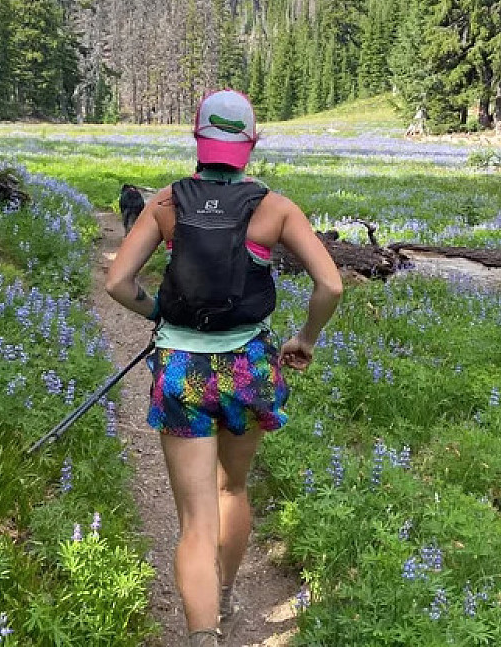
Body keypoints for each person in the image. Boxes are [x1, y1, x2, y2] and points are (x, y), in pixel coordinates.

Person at [105, 89, 342, 647]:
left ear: (198, 138)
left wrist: (158, 312)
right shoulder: (275, 208)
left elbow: (117, 282)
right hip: (248, 368)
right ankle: (227, 592)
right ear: (250, 144)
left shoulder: (166, 202)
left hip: (181, 369)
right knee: (231, 489)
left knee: (195, 519)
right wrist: (305, 339)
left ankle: (203, 633)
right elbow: (330, 285)